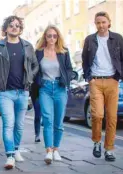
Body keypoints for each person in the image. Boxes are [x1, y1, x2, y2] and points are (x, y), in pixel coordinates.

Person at [0, 15, 39, 169]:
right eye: (11, 25)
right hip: (4, 92)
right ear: (5, 29)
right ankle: (10, 155)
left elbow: (35, 65)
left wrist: (30, 78)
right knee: (9, 124)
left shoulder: (27, 46)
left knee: (19, 125)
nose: (14, 27)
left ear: (20, 29)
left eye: (17, 25)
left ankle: (16, 149)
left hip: (23, 91)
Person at [82, 12, 123, 162]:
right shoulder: (90, 40)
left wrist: (118, 77)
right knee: (97, 115)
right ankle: (97, 142)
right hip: (96, 82)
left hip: (112, 81)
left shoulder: (117, 38)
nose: (101, 25)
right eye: (98, 23)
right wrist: (89, 78)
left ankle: (109, 149)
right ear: (95, 24)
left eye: (103, 22)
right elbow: (85, 61)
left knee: (112, 117)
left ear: (109, 23)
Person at [35, 25, 73, 165]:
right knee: (47, 119)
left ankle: (56, 149)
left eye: (54, 36)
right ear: (45, 37)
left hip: (60, 88)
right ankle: (49, 151)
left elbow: (69, 69)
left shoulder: (64, 52)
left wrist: (66, 79)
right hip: (45, 88)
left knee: (58, 121)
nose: (52, 38)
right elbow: (34, 70)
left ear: (58, 37)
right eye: (49, 35)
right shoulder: (39, 52)